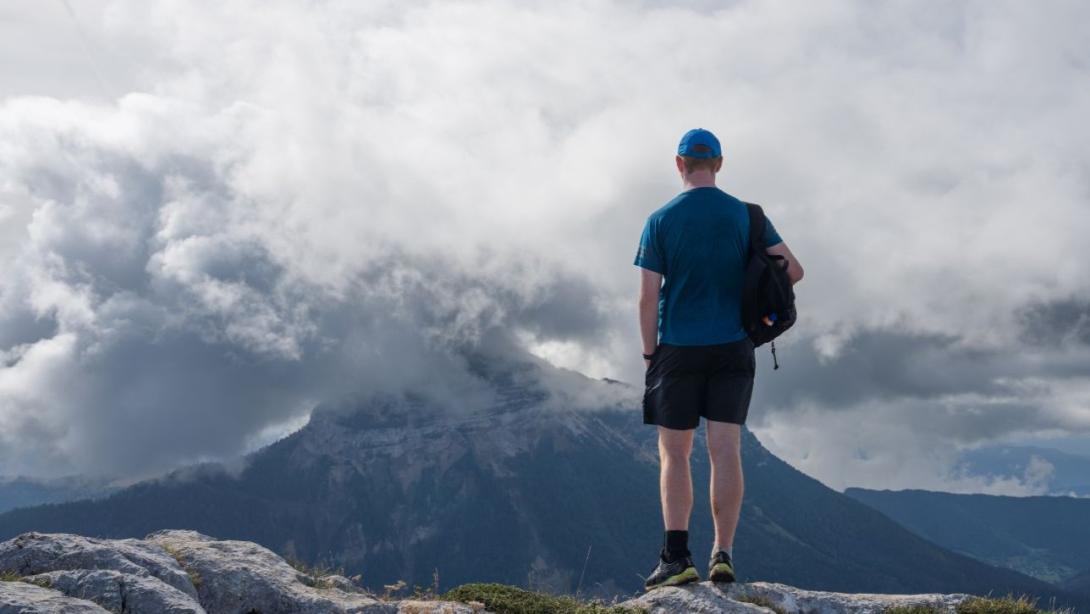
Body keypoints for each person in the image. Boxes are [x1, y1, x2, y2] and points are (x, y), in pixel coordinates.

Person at [634, 128, 804, 590]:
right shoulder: (747, 216)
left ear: (678, 164)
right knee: (725, 449)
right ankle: (721, 555)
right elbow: (795, 269)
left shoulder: (660, 220)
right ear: (720, 164)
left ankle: (676, 557)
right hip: (733, 347)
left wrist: (651, 353)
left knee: (675, 452)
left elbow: (648, 298)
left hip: (678, 349)